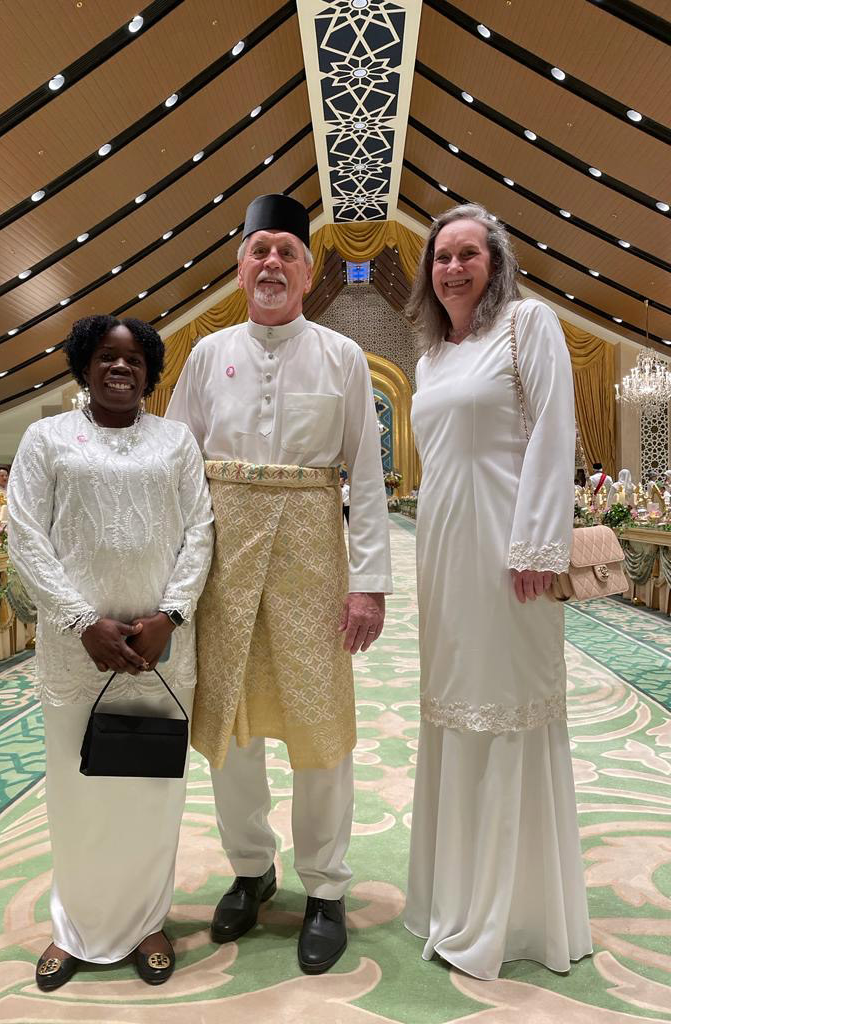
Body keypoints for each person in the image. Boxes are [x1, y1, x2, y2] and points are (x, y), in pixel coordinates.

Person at [165, 193, 392, 975]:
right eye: (258, 250)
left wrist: (370, 584)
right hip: (224, 559)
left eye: (285, 253)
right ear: (240, 268)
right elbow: (177, 467)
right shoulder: (206, 355)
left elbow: (365, 471)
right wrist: (174, 581)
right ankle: (251, 870)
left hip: (310, 556)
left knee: (318, 727)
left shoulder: (342, 356)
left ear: (307, 270)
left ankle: (325, 888)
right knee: (230, 726)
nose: (270, 263)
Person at [402, 202, 591, 979]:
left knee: (508, 710)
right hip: (443, 559)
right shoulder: (428, 360)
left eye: (467, 253)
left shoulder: (529, 324)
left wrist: (538, 544)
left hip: (511, 558)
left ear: (495, 261)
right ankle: (454, 897)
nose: (453, 266)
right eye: (441, 256)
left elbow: (555, 431)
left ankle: (510, 915)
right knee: (454, 712)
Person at [7, 314, 213, 990]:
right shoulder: (46, 439)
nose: (120, 368)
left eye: (133, 359)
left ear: (151, 372)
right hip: (78, 657)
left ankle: (149, 921)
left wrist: (171, 616)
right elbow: (26, 537)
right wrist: (81, 621)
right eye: (106, 357)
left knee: (150, 792)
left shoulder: (177, 441)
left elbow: (200, 533)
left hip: (160, 654)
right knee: (78, 792)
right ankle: (77, 929)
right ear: (84, 366)